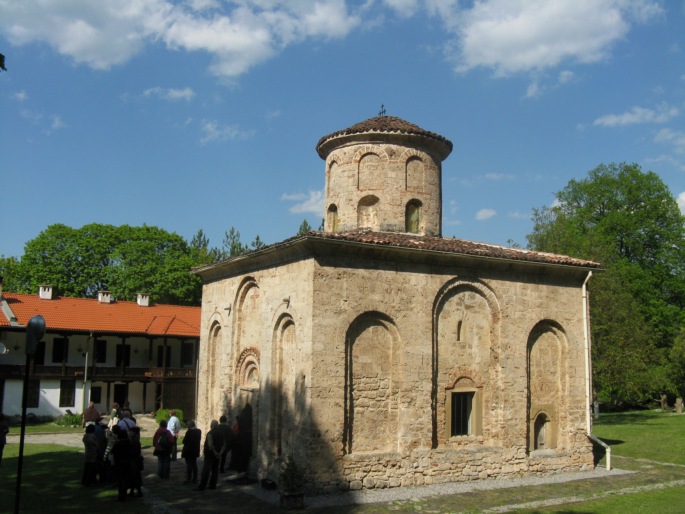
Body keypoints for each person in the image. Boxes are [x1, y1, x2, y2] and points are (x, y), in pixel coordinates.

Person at [197, 420, 225, 491]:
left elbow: (210, 445)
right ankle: (213, 485)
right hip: (217, 455)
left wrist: (215, 452)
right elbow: (224, 445)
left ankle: (202, 486)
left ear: (211, 425)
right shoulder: (221, 434)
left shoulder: (210, 433)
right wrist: (220, 453)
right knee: (215, 470)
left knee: (206, 470)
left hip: (210, 455)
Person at [111, 428, 133, 501]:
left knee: (120, 480)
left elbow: (113, 451)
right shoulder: (129, 442)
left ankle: (121, 495)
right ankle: (125, 492)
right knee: (126, 478)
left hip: (119, 463)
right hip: (127, 462)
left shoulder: (118, 444)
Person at [181, 420, 201, 484]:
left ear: (190, 425)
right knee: (194, 464)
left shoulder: (189, 432)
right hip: (195, 450)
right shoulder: (198, 431)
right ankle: (195, 479)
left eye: (188, 425)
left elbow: (184, 441)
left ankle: (188, 478)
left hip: (189, 451)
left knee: (189, 465)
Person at [128, 426, 143, 498]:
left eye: (130, 431)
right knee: (134, 476)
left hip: (135, 460)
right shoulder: (134, 439)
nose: (129, 433)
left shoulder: (134, 440)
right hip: (135, 460)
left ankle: (137, 491)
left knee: (135, 476)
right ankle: (134, 491)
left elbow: (135, 451)